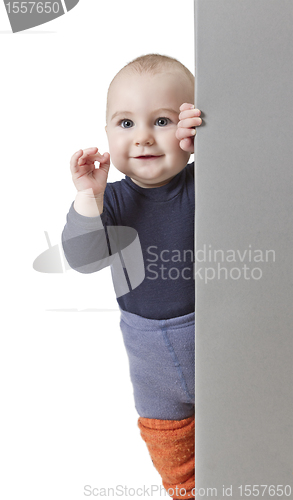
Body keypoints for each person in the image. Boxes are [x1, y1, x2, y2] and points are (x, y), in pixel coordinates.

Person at [62, 53, 202, 500]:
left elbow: (257, 170)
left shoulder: (208, 181)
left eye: (162, 121)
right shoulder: (113, 201)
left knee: (248, 441)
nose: (142, 136)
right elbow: (84, 258)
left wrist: (216, 141)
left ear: (189, 128)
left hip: (217, 343)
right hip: (153, 366)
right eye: (125, 124)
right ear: (106, 134)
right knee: (176, 464)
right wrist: (89, 196)